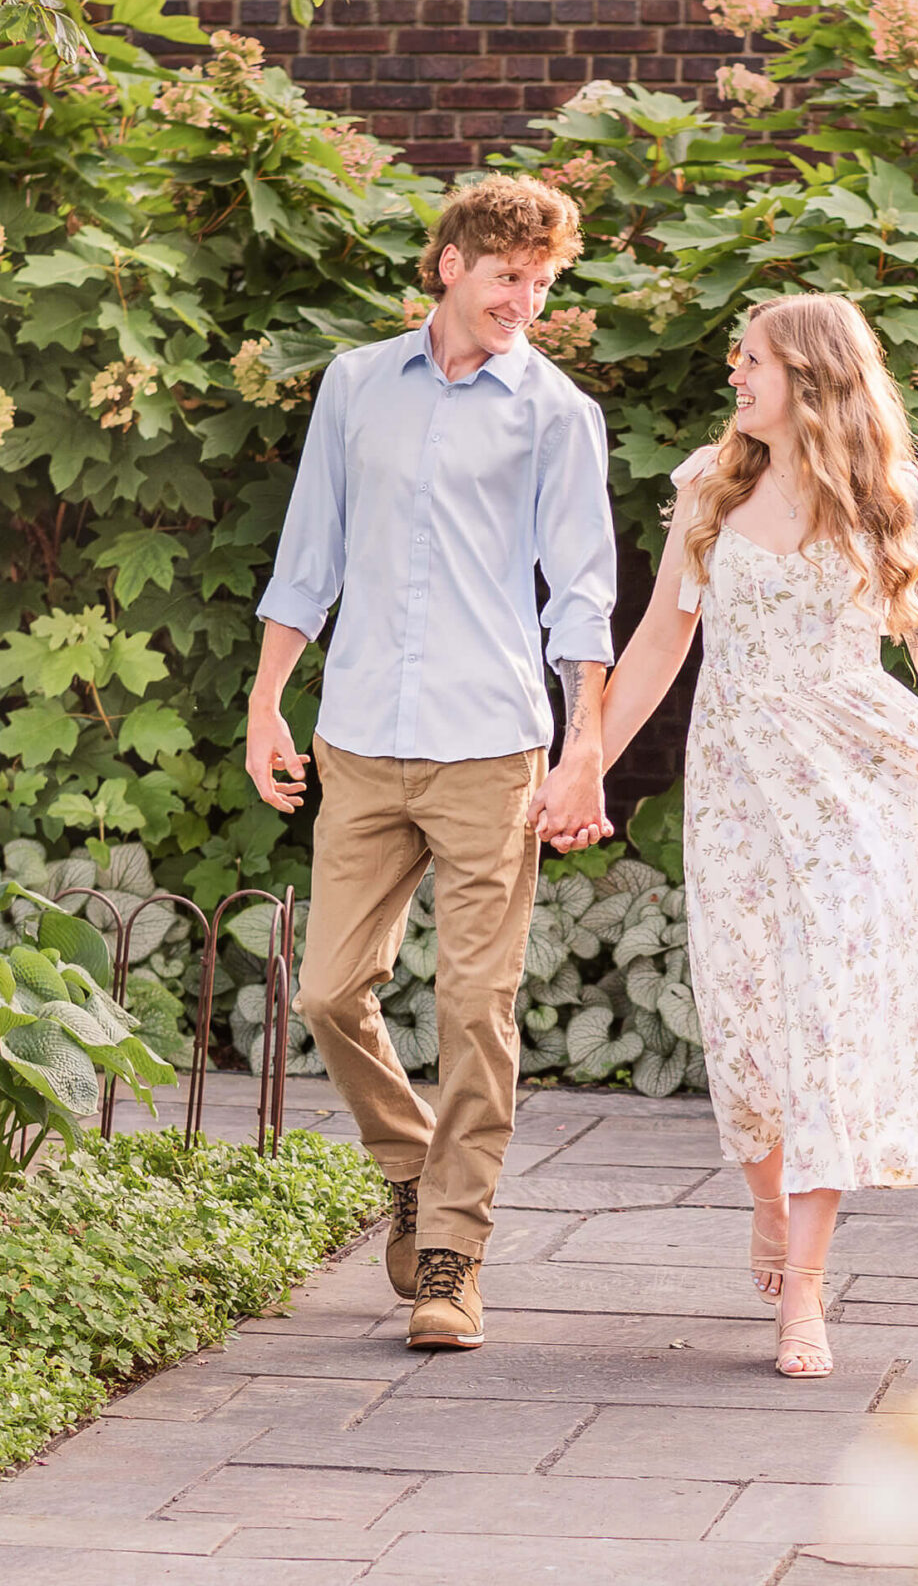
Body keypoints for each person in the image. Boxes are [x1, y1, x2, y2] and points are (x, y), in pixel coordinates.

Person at [532, 292, 918, 1379]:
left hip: (854, 784)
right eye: (735, 360)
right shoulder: (707, 488)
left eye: (752, 361)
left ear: (812, 375)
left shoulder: (887, 499)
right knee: (746, 1024)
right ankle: (768, 1209)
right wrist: (578, 762)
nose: (735, 376)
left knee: (825, 1015)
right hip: (736, 789)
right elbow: (652, 651)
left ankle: (807, 1299)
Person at [246, 174, 616, 1352]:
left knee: (474, 1001)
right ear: (450, 263)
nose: (526, 299)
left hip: (489, 745)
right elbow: (309, 557)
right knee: (325, 991)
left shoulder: (554, 410)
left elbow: (585, 595)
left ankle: (450, 1251)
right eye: (509, 275)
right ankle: (413, 1163)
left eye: (542, 283)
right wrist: (266, 702)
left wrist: (584, 749)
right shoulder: (356, 386)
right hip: (357, 737)